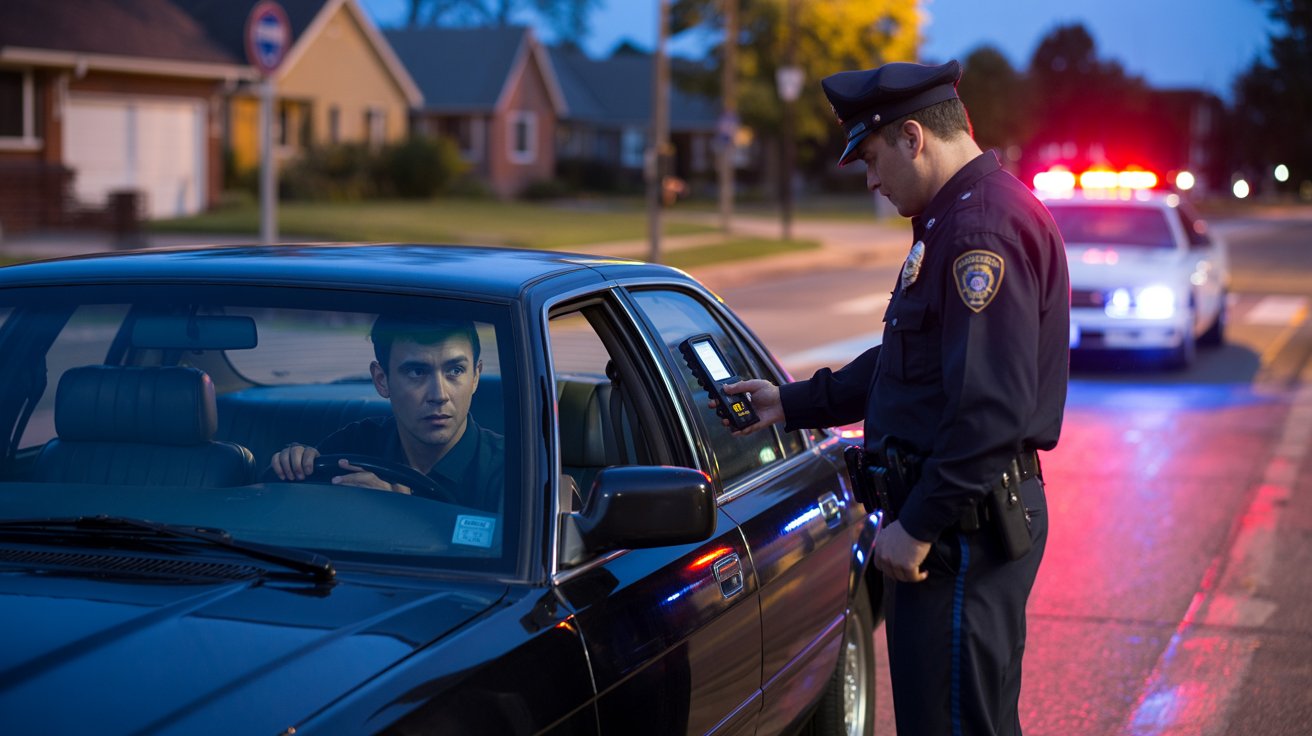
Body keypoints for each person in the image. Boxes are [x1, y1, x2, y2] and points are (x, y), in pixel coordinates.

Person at [719, 60, 1069, 735]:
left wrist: (918, 527)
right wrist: (790, 404)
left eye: (873, 158)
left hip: (959, 533)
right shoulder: (960, 217)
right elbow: (914, 364)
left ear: (914, 136)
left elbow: (989, 412)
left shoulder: (977, 234)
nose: (872, 180)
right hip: (956, 527)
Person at [271, 314, 504, 511]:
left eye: (455, 370)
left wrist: (402, 515)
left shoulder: (510, 471)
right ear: (382, 380)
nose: (439, 395)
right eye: (416, 372)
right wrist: (294, 465)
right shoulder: (356, 444)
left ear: (475, 376)